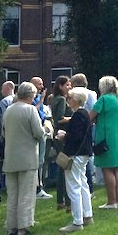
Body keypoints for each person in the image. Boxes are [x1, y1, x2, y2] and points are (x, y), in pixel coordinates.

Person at [2, 81, 44, 235]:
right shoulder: (31, 109)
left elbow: (4, 132)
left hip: (11, 156)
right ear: (31, 95)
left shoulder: (8, 110)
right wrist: (47, 130)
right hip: (27, 157)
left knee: (12, 195)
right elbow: (38, 133)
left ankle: (11, 227)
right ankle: (23, 227)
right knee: (26, 194)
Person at [57, 87, 93, 233]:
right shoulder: (84, 114)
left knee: (73, 187)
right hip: (84, 153)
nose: (68, 100)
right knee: (82, 184)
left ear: (77, 100)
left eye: (70, 98)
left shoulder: (78, 115)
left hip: (75, 154)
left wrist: (64, 136)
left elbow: (76, 136)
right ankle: (87, 215)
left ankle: (77, 222)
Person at [89, 76, 118, 209]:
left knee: (107, 168)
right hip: (116, 135)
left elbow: (90, 116)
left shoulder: (103, 99)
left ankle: (111, 201)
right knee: (116, 168)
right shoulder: (117, 99)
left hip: (105, 135)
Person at [51, 75, 72, 211]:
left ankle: (60, 200)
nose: (69, 87)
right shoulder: (62, 99)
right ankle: (67, 201)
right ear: (60, 86)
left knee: (61, 167)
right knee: (66, 167)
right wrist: (73, 118)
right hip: (62, 135)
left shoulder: (55, 99)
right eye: (67, 85)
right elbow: (59, 119)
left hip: (57, 136)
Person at [30, 77, 53, 199]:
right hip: (35, 132)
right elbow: (34, 111)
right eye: (39, 84)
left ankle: (40, 186)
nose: (42, 86)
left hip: (43, 130)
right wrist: (42, 99)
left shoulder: (38, 97)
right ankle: (37, 188)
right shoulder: (31, 99)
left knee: (41, 161)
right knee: (37, 161)